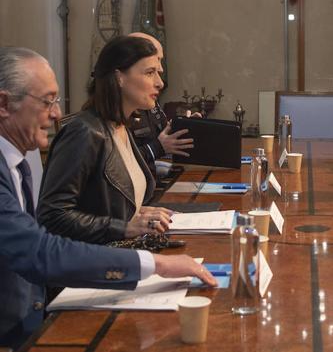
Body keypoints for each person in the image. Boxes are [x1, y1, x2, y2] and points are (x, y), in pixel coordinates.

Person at [0, 46, 216, 349]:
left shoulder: (16, 163)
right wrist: (152, 261)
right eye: (47, 101)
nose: (57, 113)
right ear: (4, 104)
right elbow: (43, 245)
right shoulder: (83, 132)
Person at [38, 36, 178, 244]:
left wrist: (137, 213)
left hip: (119, 252)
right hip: (95, 263)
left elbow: (106, 203)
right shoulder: (85, 133)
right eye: (150, 73)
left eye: (158, 73)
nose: (159, 83)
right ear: (119, 77)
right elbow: (52, 216)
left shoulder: (120, 124)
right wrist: (125, 226)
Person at [126, 32, 194, 175]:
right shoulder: (93, 129)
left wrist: (184, 128)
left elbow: (164, 136)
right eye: (151, 71)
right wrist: (157, 148)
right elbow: (121, 164)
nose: (161, 69)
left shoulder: (146, 101)